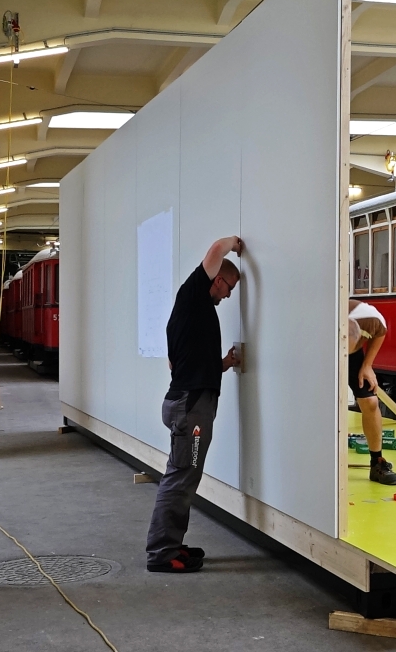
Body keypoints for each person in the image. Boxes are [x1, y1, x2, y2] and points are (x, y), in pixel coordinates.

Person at [146, 236, 244, 573]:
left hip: (188, 404)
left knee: (184, 477)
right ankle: (161, 553)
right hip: (191, 411)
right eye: (229, 287)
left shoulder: (191, 314)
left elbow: (188, 367)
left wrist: (225, 363)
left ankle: (171, 543)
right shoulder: (193, 296)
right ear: (217, 280)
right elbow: (216, 250)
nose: (229, 294)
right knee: (181, 477)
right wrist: (235, 242)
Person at [348, 299, 396, 486]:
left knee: (370, 401)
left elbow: (381, 332)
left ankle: (376, 463)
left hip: (353, 356)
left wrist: (367, 364)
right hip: (320, 351)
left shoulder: (371, 319)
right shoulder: (320, 321)